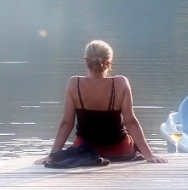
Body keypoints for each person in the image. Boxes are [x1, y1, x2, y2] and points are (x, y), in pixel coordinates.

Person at [37, 40, 167, 164]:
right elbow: (131, 122)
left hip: (84, 152)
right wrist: (149, 155)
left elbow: (67, 123)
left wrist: (53, 155)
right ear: (109, 63)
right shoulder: (121, 83)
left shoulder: (74, 84)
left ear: (86, 61)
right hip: (120, 150)